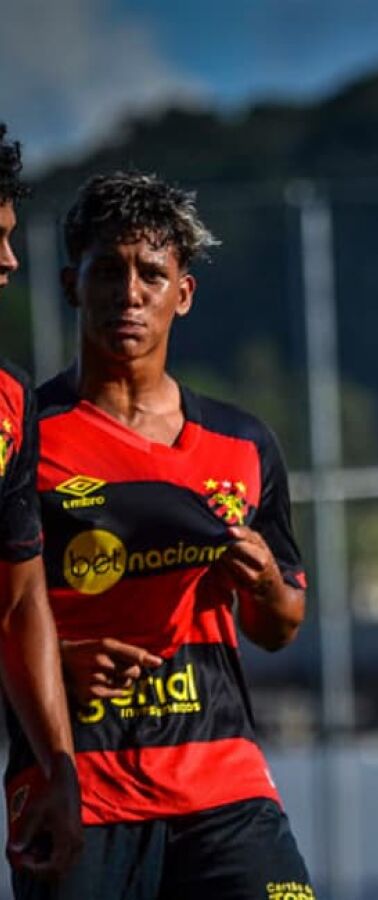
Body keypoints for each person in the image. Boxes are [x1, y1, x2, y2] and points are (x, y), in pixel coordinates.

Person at [9, 171, 314, 899]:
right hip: (79, 787)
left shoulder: (243, 443)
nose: (130, 291)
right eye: (108, 270)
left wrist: (267, 580)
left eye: (152, 273)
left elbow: (280, 626)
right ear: (70, 285)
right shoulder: (23, 435)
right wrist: (57, 661)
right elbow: (9, 610)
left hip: (223, 786)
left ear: (183, 294)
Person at [0, 124, 83, 879]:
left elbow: (20, 600)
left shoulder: (9, 399)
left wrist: (59, 764)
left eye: (9, 236)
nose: (8, 261)